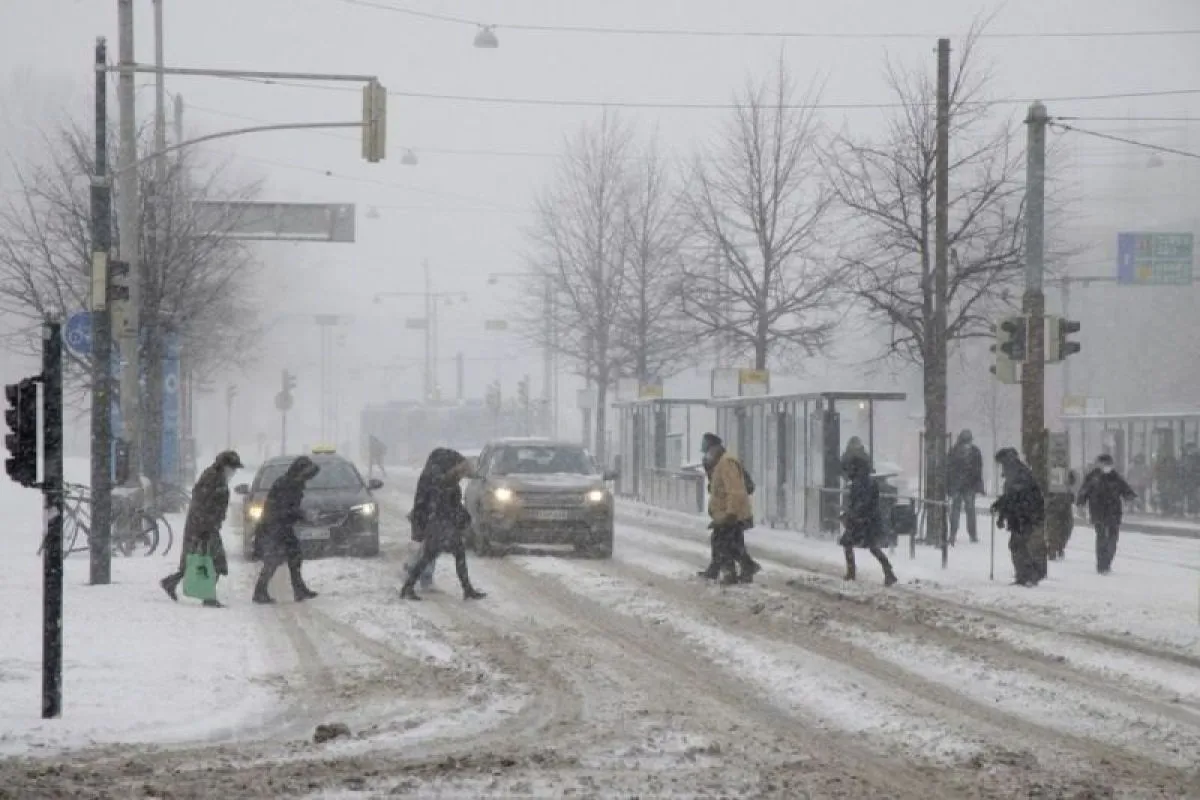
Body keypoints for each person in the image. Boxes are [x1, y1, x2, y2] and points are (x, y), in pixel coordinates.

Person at [160, 450, 243, 607]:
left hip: (204, 525)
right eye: (232, 468)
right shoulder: (213, 479)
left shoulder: (215, 477)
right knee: (214, 561)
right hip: (204, 527)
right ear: (224, 466)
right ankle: (208, 597)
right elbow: (203, 504)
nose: (233, 472)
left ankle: (171, 582)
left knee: (197, 559)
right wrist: (205, 527)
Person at [401, 448, 486, 601]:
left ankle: (467, 589)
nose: (462, 477)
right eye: (462, 472)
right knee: (431, 556)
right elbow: (442, 504)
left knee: (443, 554)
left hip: (443, 525)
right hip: (440, 525)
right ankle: (408, 587)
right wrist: (454, 517)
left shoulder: (442, 479)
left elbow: (451, 504)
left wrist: (460, 515)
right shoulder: (441, 481)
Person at [252, 456, 320, 604]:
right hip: (274, 526)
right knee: (274, 559)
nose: (307, 479)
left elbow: (288, 508)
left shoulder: (294, 483)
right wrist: (303, 515)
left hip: (281, 525)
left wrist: (299, 514)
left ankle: (298, 589)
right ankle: (260, 592)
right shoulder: (286, 484)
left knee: (294, 556)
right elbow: (283, 508)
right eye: (306, 474)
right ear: (299, 471)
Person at [696, 434, 760, 584]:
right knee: (732, 543)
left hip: (732, 513)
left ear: (715, 448)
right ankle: (745, 568)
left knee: (721, 541)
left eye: (708, 450)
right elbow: (718, 488)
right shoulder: (719, 463)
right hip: (727, 512)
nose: (707, 455)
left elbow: (735, 490)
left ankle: (730, 573)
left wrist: (731, 513)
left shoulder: (726, 463)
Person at [839, 454, 898, 586]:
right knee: (873, 547)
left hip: (862, 521)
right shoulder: (868, 482)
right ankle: (888, 571)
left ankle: (852, 572)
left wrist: (852, 515)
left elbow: (861, 503)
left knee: (849, 543)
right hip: (870, 520)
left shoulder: (859, 484)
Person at [991, 448, 1044, 587]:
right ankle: (1025, 575)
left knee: (1019, 545)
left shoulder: (1018, 474)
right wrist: (1000, 510)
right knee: (1018, 545)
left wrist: (1001, 510)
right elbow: (1010, 496)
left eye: (1001, 463)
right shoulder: (1017, 472)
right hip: (1023, 515)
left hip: (1025, 515)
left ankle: (1030, 575)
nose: (1001, 467)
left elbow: (1013, 496)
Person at [1076, 454, 1136, 575]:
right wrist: (1080, 505)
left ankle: (1107, 561)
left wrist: (1131, 499)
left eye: (1109, 464)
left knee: (1113, 539)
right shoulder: (1093, 477)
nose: (1106, 467)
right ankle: (1101, 564)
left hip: (1114, 512)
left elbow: (1126, 490)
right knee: (1101, 537)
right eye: (1104, 464)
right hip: (1098, 511)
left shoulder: (1115, 477)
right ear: (1099, 464)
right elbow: (1083, 491)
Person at [947, 429, 984, 545]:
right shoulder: (973, 452)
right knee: (965, 511)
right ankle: (965, 534)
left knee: (959, 510)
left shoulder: (955, 451)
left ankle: (958, 534)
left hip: (962, 486)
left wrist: (949, 486)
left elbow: (949, 470)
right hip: (965, 486)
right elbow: (978, 470)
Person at [1044, 468, 1078, 561]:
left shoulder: (1065, 468)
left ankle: (1059, 546)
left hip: (1066, 504)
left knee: (1067, 527)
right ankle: (1052, 549)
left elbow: (1072, 480)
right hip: (1052, 504)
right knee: (1053, 528)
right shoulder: (1047, 468)